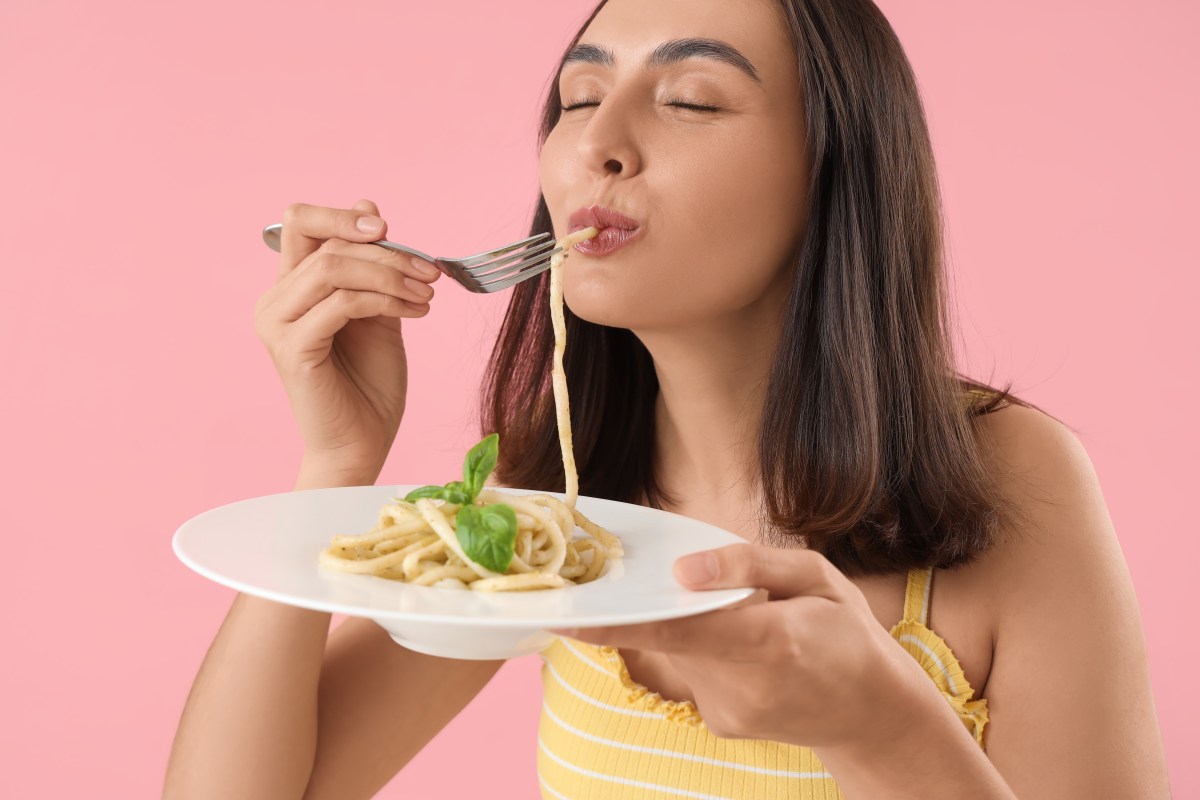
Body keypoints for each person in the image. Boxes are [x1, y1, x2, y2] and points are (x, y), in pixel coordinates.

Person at [164, 0, 1172, 797]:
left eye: (690, 100)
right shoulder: (551, 497)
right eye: (575, 98)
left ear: (835, 171)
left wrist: (880, 724)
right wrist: (335, 465)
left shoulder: (1014, 480)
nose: (598, 141)